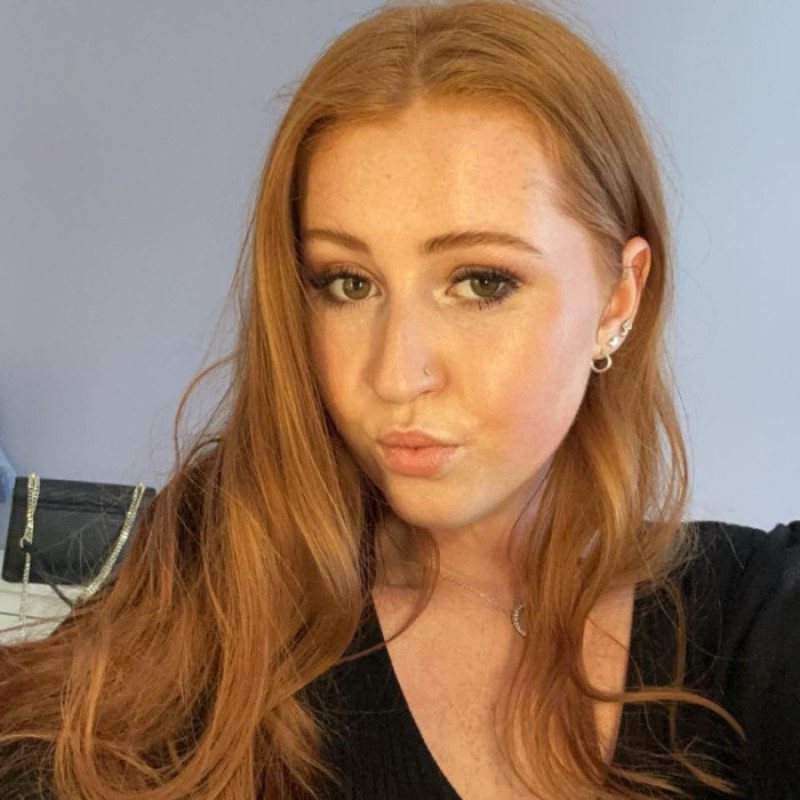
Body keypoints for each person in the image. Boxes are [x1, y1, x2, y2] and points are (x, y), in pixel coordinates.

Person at [0, 1, 798, 798]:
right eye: (348, 283)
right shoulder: (225, 573)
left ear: (618, 297)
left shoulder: (750, 615)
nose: (394, 374)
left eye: (481, 282)